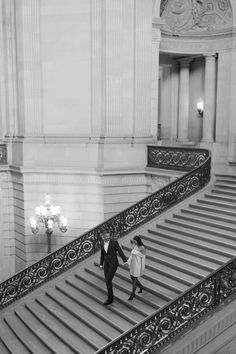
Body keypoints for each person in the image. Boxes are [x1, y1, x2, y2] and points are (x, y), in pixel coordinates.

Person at [100, 232, 128, 305]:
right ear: (103, 237)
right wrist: (101, 264)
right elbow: (102, 254)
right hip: (106, 264)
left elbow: (120, 251)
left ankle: (110, 299)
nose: (108, 237)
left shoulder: (114, 242)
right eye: (106, 236)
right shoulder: (102, 243)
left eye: (109, 236)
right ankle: (110, 298)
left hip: (113, 264)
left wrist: (125, 261)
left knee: (108, 280)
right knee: (107, 281)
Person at [127, 235, 146, 301]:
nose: (134, 243)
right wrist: (128, 262)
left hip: (138, 265)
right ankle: (141, 286)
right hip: (133, 264)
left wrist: (135, 252)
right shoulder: (135, 246)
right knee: (132, 277)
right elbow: (131, 255)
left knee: (134, 279)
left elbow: (143, 256)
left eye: (135, 241)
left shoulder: (142, 247)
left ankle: (132, 294)